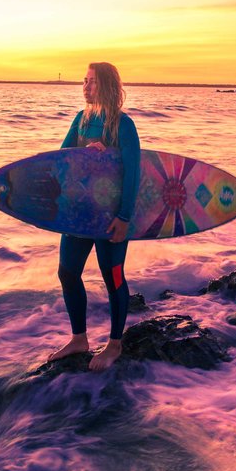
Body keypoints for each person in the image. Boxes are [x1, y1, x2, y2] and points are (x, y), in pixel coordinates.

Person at [52, 62, 140, 370]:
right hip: (80, 215)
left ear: (106, 86)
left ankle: (115, 344)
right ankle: (80, 338)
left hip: (110, 217)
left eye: (91, 82)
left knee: (112, 276)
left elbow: (132, 172)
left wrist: (125, 216)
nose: (85, 87)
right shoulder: (80, 120)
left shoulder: (122, 125)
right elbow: (61, 159)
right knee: (67, 272)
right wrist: (85, 154)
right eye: (84, 81)